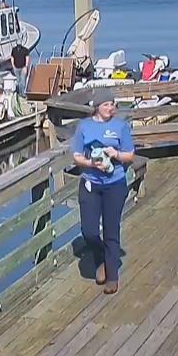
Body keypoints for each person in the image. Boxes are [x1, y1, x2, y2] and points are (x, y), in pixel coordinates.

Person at [71, 88, 135, 294]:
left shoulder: (120, 126)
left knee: (111, 230)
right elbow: (76, 156)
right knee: (89, 231)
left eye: (112, 104)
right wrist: (91, 163)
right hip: (90, 183)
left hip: (114, 184)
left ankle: (112, 277)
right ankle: (101, 259)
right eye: (106, 104)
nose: (111, 108)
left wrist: (115, 154)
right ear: (97, 107)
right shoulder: (84, 126)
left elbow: (130, 155)